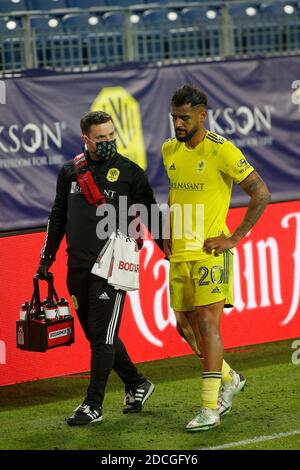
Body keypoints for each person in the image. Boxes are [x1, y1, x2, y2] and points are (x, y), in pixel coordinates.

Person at [37, 110, 164, 426]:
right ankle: (137, 384)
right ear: (86, 139)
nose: (108, 141)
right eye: (101, 138)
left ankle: (93, 405)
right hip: (75, 266)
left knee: (101, 339)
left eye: (111, 135)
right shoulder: (70, 172)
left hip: (112, 267)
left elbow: (151, 217)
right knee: (99, 335)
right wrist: (46, 258)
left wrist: (170, 253)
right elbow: (57, 216)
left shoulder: (130, 173)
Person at [162, 84, 271, 432]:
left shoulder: (221, 150)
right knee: (185, 326)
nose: (178, 124)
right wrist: (167, 232)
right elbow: (174, 192)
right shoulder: (169, 150)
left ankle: (209, 407)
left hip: (210, 253)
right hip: (180, 254)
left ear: (201, 115)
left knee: (208, 326)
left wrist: (234, 237)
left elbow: (260, 193)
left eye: (184, 118)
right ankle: (230, 377)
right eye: (174, 117)